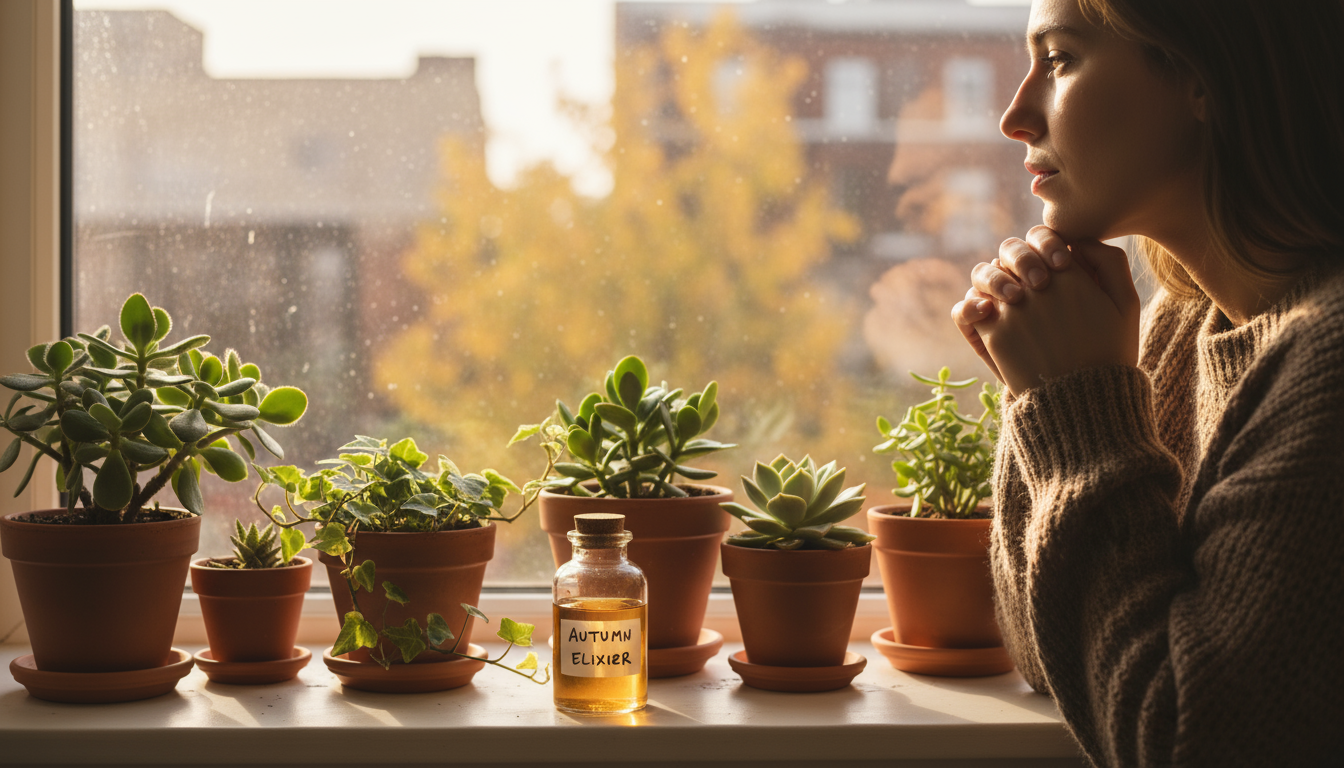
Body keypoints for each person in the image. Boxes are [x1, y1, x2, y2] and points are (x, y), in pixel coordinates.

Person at [949, 0, 1344, 765]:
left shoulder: (1327, 368)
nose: (1015, 115)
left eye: (1059, 60)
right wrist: (1046, 390)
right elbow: (1050, 651)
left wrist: (1071, 398)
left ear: (1202, 77)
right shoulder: (1182, 325)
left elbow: (1183, 744)